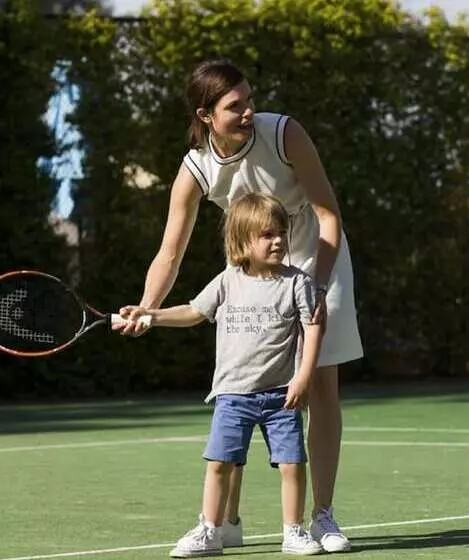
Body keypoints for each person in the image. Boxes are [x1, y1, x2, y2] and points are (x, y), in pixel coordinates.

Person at [120, 59, 363, 553]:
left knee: (319, 382)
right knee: (242, 383)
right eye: (236, 106)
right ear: (206, 115)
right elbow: (170, 252)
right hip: (253, 265)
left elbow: (328, 213)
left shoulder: (284, 133)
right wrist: (147, 308)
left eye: (250, 99)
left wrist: (313, 284)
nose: (249, 110)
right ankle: (225, 523)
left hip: (318, 254)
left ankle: (322, 517)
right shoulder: (194, 169)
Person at [119, 193, 324, 557]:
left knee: (292, 465)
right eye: (267, 234)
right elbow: (193, 312)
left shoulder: (297, 283)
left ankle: (294, 531)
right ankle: (210, 531)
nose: (278, 240)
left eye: (281, 233)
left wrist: (303, 376)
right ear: (243, 241)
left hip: (282, 395)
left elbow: (313, 326)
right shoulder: (227, 281)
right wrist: (151, 313)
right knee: (219, 465)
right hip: (232, 395)